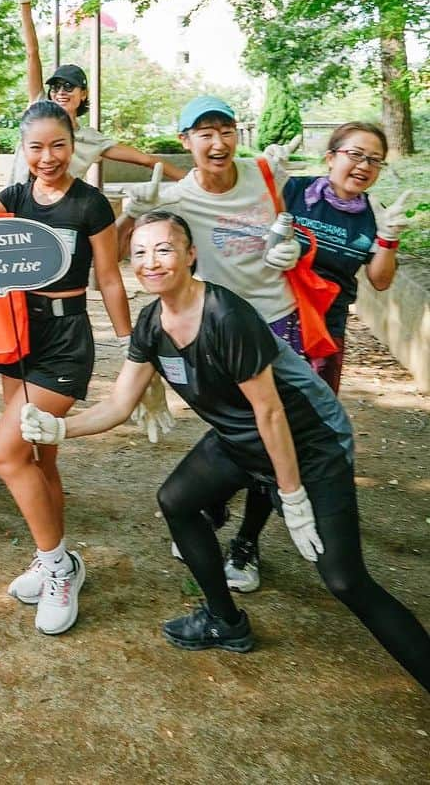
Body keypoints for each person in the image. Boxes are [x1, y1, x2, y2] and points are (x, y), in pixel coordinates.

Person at [22, 210, 430, 691]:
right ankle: (224, 620)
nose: (151, 261)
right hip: (239, 439)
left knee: (344, 580)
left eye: (164, 249)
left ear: (190, 255)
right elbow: (118, 404)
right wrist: (59, 429)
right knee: (176, 500)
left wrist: (292, 496)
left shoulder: (225, 316)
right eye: (140, 253)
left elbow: (271, 412)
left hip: (308, 444)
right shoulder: (153, 322)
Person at [121, 94, 304, 595]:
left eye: (225, 130)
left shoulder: (266, 174)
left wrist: (295, 246)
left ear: (237, 135)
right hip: (217, 328)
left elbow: (297, 224)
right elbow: (137, 250)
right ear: (186, 143)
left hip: (275, 321)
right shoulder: (178, 196)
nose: (217, 143)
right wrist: (130, 213)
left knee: (271, 433)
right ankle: (214, 502)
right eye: (204, 133)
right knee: (234, 428)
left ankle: (248, 541)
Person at [0, 100, 134, 634]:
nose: (47, 156)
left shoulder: (91, 205)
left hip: (64, 341)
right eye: (36, 146)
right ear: (23, 148)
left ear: (74, 144)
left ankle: (61, 567)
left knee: (5, 451)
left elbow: (108, 278)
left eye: (58, 145)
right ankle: (51, 557)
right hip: (16, 334)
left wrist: (134, 349)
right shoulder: (12, 199)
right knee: (40, 457)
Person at [5, 0, 185, 184]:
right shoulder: (38, 109)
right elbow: (32, 53)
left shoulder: (91, 140)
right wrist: (25, 2)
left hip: (59, 214)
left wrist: (196, 183)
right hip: (17, 211)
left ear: (84, 94)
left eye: (69, 87)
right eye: (56, 87)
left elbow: (146, 160)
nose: (61, 92)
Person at [283, 123, 412, 393]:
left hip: (326, 326)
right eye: (355, 154)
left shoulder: (375, 214)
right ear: (331, 158)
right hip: (275, 313)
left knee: (317, 409)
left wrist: (388, 238)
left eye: (375, 160)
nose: (364, 165)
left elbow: (380, 281)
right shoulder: (293, 191)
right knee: (260, 408)